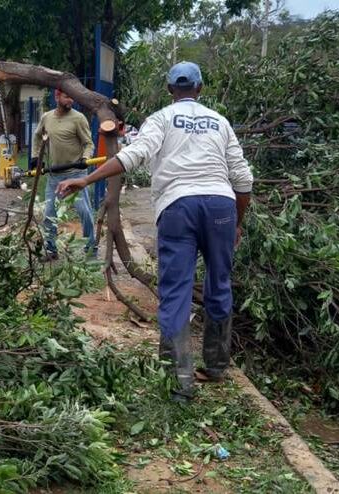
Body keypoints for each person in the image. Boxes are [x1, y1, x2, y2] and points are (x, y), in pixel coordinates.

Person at [57, 61, 254, 402]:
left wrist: (86, 179)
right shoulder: (220, 122)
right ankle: (218, 365)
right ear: (200, 88)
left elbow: (134, 154)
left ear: (169, 90)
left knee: (176, 291)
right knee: (219, 283)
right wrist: (236, 223)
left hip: (179, 207)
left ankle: (180, 384)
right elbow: (243, 179)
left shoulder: (162, 118)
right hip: (222, 205)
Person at [31, 89, 96, 261]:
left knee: (84, 212)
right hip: (54, 175)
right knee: (49, 213)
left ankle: (91, 250)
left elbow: (88, 143)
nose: (71, 101)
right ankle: (51, 250)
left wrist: (85, 157)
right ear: (57, 96)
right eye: (67, 97)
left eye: (72, 97)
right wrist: (35, 156)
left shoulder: (78, 118)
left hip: (75, 174)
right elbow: (38, 137)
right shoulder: (47, 117)